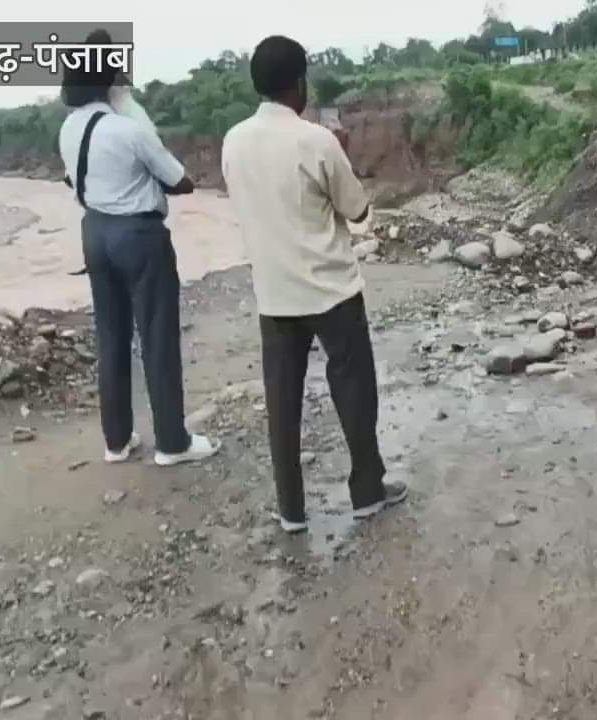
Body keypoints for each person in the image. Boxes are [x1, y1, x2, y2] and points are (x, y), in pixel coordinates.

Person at [220, 35, 406, 534]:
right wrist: (341, 152)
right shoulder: (316, 140)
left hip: (274, 293)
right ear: (299, 83)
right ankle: (367, 492)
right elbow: (358, 210)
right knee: (354, 388)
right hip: (331, 290)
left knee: (282, 401)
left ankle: (291, 510)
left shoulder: (233, 140)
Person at [58, 30, 220, 467]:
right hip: (138, 236)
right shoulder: (129, 129)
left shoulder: (70, 128)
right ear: (111, 80)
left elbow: (74, 181)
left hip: (94, 233)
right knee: (157, 337)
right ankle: (171, 442)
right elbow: (180, 182)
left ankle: (117, 441)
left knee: (111, 337)